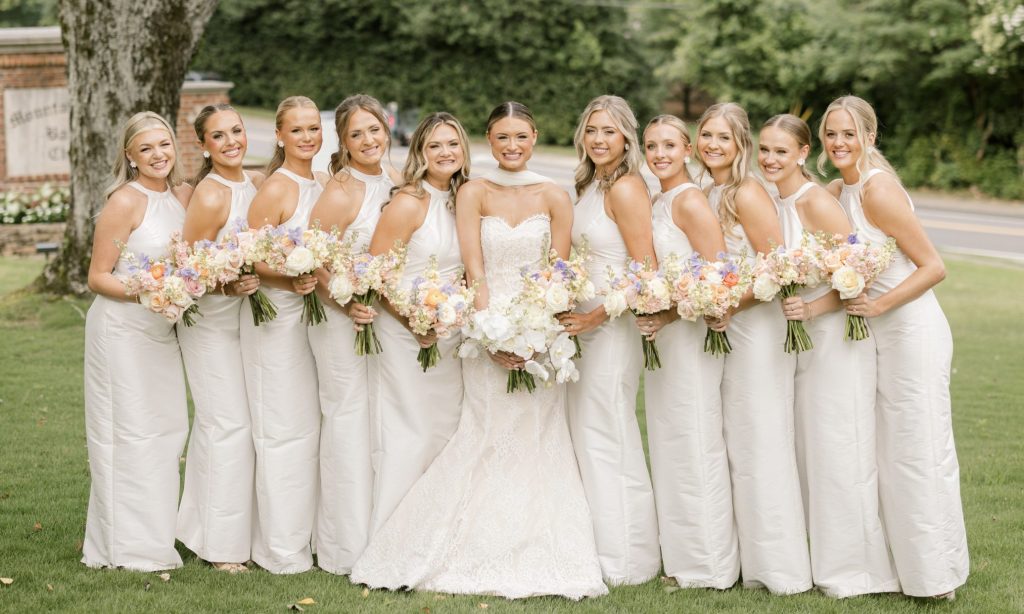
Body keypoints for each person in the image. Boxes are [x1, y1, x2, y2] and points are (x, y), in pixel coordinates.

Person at [350, 101, 607, 600]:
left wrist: (537, 336)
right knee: (484, 433)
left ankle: (538, 543)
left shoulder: (555, 195)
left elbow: (558, 274)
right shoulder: (472, 192)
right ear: (488, 140)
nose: (512, 146)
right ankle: (458, 543)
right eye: (502, 137)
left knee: (538, 439)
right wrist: (493, 338)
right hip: (485, 328)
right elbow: (475, 272)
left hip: (542, 335)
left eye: (521, 136)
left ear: (535, 137)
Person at [822, 95, 968, 600]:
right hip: (878, 338)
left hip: (912, 331)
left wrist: (878, 306)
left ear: (869, 137)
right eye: (831, 134)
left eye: (848, 134)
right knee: (889, 451)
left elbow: (934, 267)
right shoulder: (838, 190)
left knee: (918, 448)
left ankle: (936, 578)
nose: (839, 143)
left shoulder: (878, 191)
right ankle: (902, 568)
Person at [760, 113, 898, 597]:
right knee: (814, 451)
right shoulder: (774, 201)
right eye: (764, 149)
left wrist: (813, 308)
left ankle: (858, 571)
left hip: (838, 340)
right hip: (804, 344)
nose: (770, 158)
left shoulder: (816, 201)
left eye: (781, 151)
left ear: (803, 153)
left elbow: (855, 275)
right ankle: (826, 561)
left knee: (842, 450)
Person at [695, 102, 812, 594]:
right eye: (706, 135)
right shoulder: (707, 189)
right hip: (726, 327)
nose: (712, 145)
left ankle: (780, 569)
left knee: (761, 440)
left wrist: (731, 304)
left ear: (739, 143)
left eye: (723, 137)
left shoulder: (747, 191)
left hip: (757, 329)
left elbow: (776, 268)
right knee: (735, 442)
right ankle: (744, 557)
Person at [82, 111, 192, 570]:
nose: (158, 154)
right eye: (146, 148)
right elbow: (97, 276)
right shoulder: (125, 201)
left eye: (163, 144)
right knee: (128, 433)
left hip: (161, 332)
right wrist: (151, 290)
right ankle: (124, 547)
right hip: (121, 331)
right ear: (130, 156)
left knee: (168, 430)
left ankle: (156, 535)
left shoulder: (183, 196)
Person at [558, 95, 661, 585]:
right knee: (587, 433)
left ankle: (628, 558)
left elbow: (646, 271)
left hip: (611, 330)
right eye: (592, 130)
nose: (599, 140)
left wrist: (596, 316)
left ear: (626, 138)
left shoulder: (626, 188)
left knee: (609, 432)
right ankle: (597, 545)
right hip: (582, 326)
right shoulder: (589, 184)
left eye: (609, 131)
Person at [638, 114, 738, 589]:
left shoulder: (690, 200)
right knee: (672, 441)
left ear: (687, 150)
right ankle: (683, 556)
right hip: (666, 335)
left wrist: (668, 314)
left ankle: (709, 566)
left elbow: (719, 277)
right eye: (651, 146)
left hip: (689, 335)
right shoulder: (659, 198)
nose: (659, 154)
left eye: (669, 145)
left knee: (695, 439)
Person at [307, 94, 399, 574]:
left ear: (387, 129)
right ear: (343, 142)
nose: (368, 140)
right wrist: (346, 303)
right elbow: (313, 261)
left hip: (382, 320)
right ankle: (343, 545)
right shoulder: (341, 190)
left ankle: (379, 530)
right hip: (341, 321)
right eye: (356, 134)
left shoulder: (395, 179)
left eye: (374, 130)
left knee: (378, 423)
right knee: (346, 422)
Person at [363, 112, 467, 534]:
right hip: (404, 332)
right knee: (411, 431)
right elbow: (375, 275)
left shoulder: (463, 199)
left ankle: (433, 530)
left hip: (449, 333)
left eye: (453, 144)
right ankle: (391, 533)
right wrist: (414, 321)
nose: (445, 152)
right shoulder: (409, 202)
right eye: (435, 145)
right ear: (421, 151)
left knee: (445, 429)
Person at [240, 95, 326, 574]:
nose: (307, 137)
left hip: (313, 319)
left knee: (308, 428)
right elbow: (248, 258)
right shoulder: (276, 187)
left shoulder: (324, 182)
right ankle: (278, 547)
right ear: (279, 136)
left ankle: (304, 533)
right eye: (297, 130)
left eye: (313, 128)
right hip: (275, 319)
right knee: (281, 429)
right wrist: (289, 279)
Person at [176, 104, 264, 573]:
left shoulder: (254, 183)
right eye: (219, 136)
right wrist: (227, 285)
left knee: (236, 427)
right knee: (226, 427)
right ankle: (221, 547)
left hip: (245, 321)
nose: (231, 142)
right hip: (209, 324)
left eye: (236, 131)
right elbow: (188, 271)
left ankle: (204, 528)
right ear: (204, 145)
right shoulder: (210, 195)